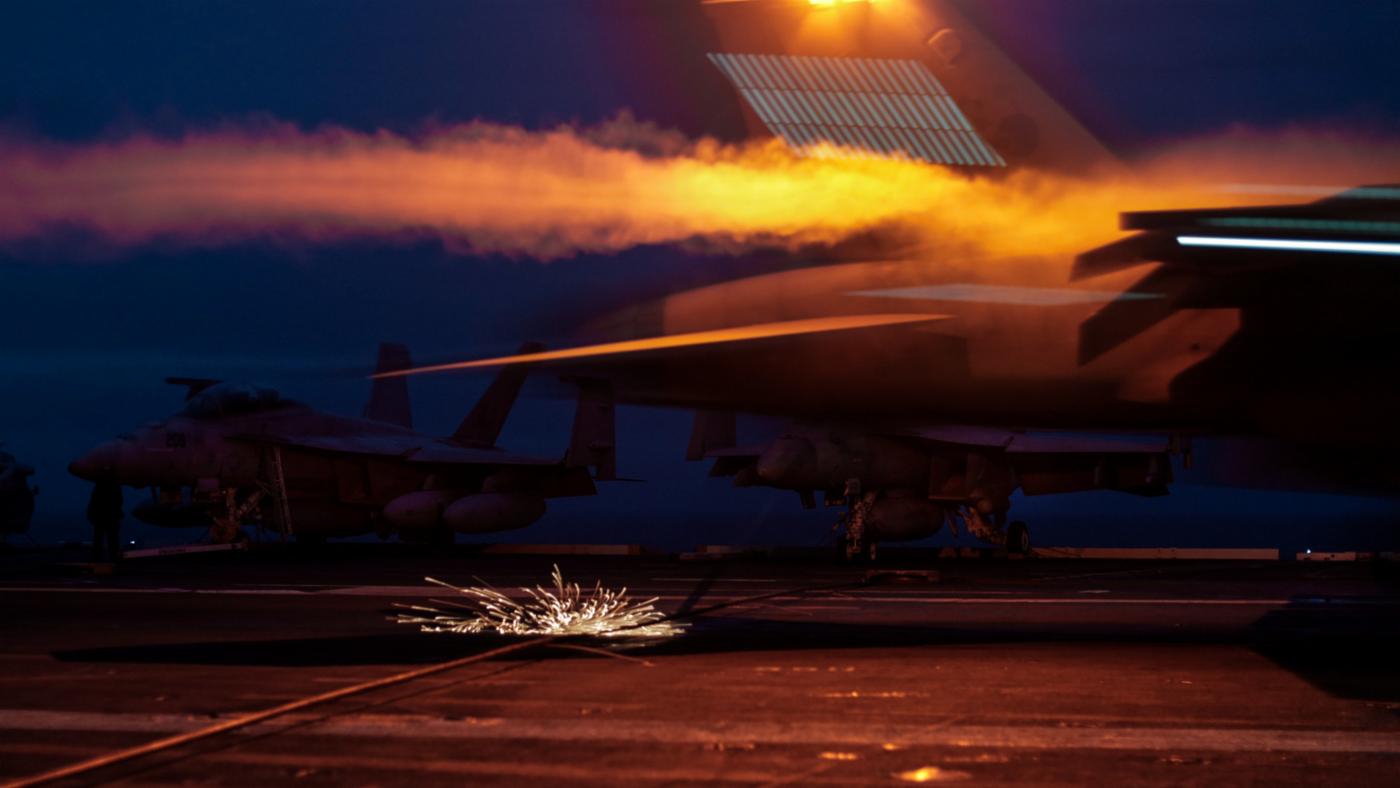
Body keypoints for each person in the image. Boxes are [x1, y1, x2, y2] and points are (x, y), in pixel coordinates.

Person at [86, 482, 123, 563]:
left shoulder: (100, 487)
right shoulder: (114, 486)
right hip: (108, 517)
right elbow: (119, 501)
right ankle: (112, 557)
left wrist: (90, 513)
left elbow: (93, 500)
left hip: (103, 517)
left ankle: (99, 558)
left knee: (101, 539)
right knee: (111, 539)